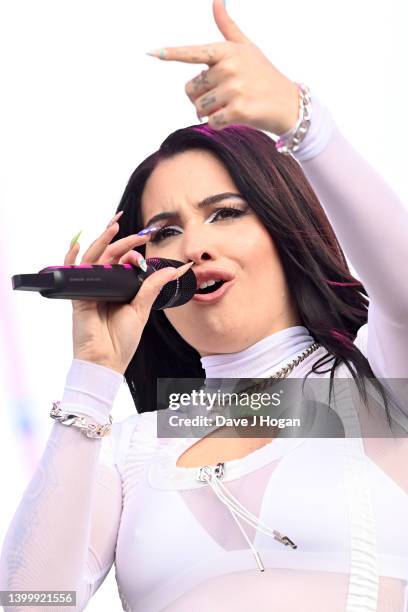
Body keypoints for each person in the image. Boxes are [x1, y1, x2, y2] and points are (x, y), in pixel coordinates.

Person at [1, 0, 408, 610]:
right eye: (164, 231)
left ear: (283, 225)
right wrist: (92, 377)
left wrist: (303, 124)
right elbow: (30, 602)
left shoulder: (375, 384)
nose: (195, 246)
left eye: (226, 213)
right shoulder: (134, 445)